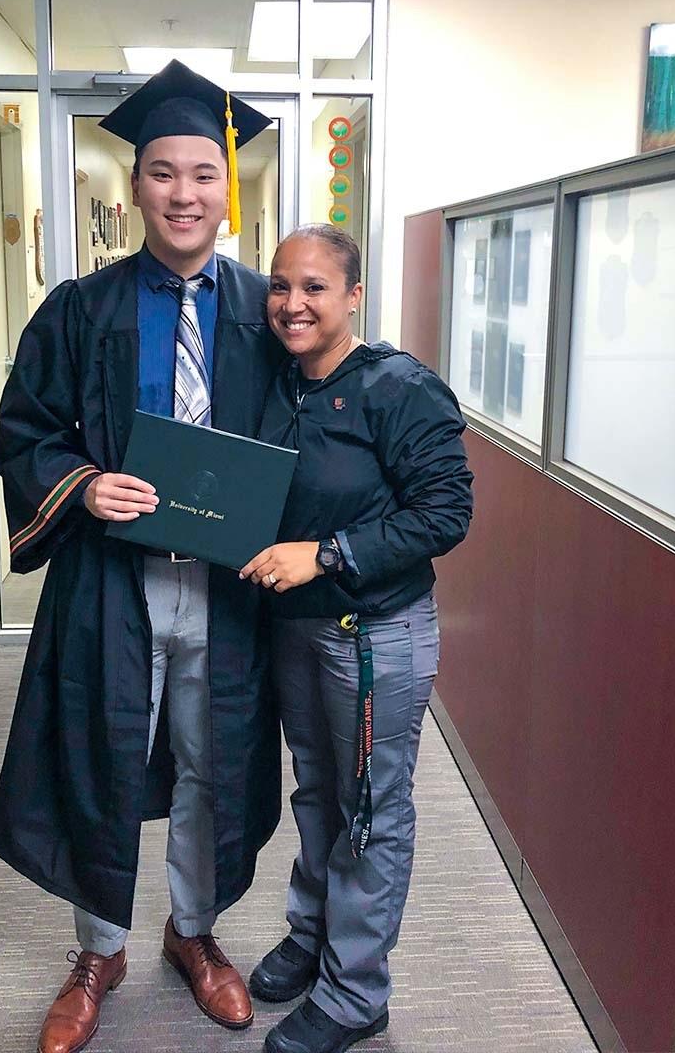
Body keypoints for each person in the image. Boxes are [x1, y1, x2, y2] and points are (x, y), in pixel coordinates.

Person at [0, 61, 285, 1053]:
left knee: (213, 760)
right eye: (163, 172)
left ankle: (192, 933)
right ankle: (98, 949)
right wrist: (82, 484)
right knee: (101, 753)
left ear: (225, 186)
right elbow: (24, 428)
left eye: (203, 172)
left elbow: (312, 436)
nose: (184, 192)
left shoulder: (264, 311)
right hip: (114, 583)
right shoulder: (82, 308)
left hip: (230, 587)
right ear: (137, 184)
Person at [239, 224, 474, 1053]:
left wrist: (328, 554)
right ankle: (313, 938)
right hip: (297, 632)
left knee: (371, 810)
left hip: (375, 635)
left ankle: (355, 991)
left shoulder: (398, 387)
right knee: (317, 795)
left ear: (352, 296)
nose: (292, 303)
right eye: (279, 286)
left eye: (312, 287)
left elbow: (446, 514)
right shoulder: (281, 384)